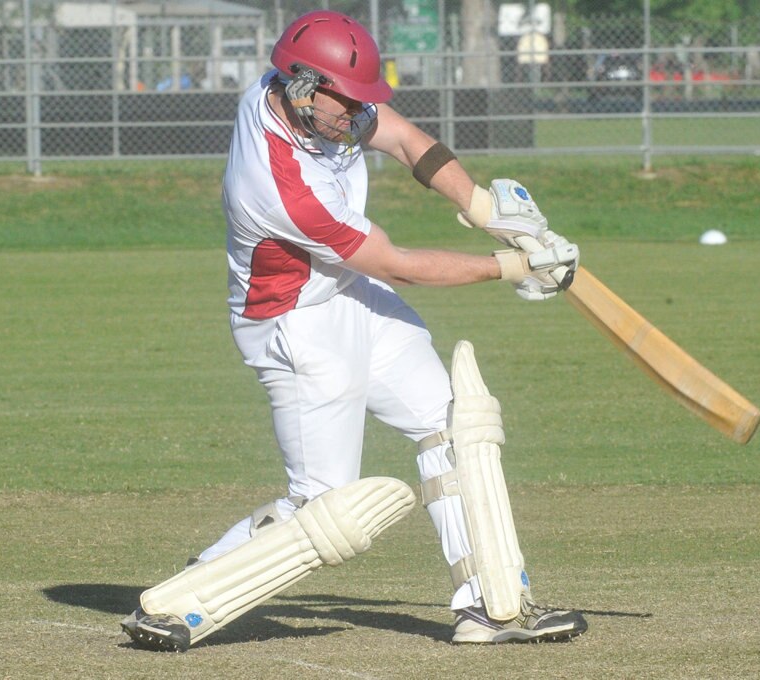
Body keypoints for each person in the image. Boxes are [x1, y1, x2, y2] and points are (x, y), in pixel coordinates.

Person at [122, 10, 586, 651]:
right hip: (294, 324)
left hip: (347, 293)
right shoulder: (282, 185)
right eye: (351, 100)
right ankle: (183, 599)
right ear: (306, 87)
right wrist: (511, 264)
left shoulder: (309, 98)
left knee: (454, 425)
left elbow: (399, 137)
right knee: (326, 508)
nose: (359, 113)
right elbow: (397, 264)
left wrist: (484, 208)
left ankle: (492, 606)